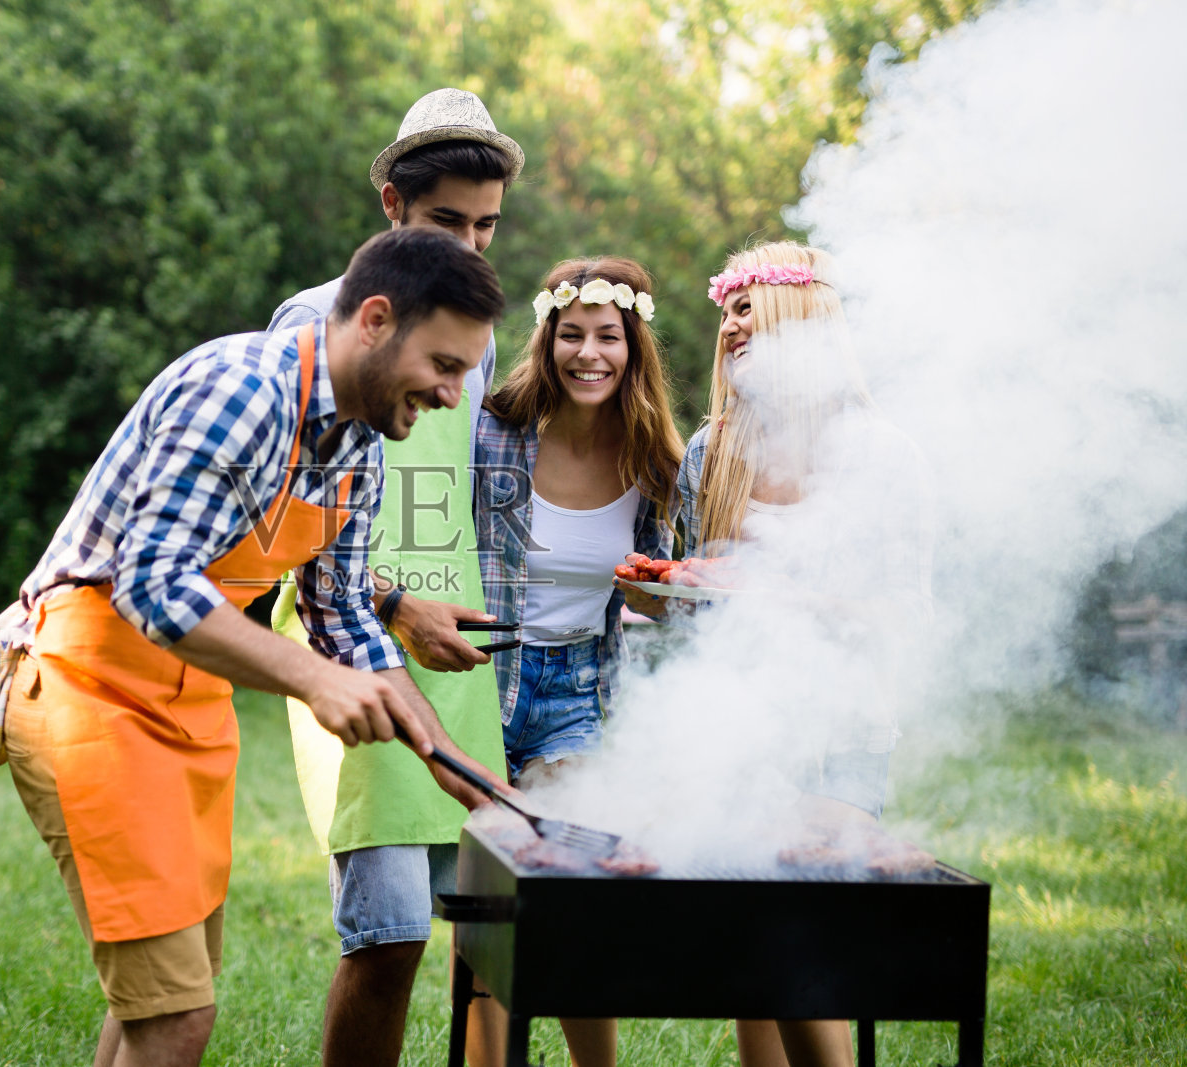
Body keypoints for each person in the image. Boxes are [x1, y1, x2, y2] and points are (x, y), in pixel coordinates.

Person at [0, 227, 509, 1067]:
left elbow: (343, 617)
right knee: (176, 1013)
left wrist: (450, 760)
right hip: (88, 685)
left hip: (190, 700)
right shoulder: (244, 389)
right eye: (445, 366)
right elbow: (151, 581)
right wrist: (311, 679)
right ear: (375, 320)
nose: (454, 394)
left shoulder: (360, 445)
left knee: (162, 997)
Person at [264, 87, 524, 1067]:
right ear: (390, 206)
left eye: (486, 224)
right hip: (350, 637)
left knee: (481, 928)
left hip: (455, 649)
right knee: (388, 935)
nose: (468, 243)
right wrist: (391, 605)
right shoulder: (313, 319)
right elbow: (284, 519)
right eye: (445, 220)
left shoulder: (482, 325)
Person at [673, 241, 935, 1067]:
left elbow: (906, 618)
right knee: (749, 957)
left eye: (746, 308)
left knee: (800, 953)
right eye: (726, 313)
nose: (729, 327)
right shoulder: (706, 454)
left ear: (801, 317)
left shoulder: (880, 453)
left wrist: (784, 600)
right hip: (737, 730)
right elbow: (693, 614)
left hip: (840, 736)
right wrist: (665, 595)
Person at [468, 256, 685, 1066]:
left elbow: (659, 595)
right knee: (489, 910)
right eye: (571, 335)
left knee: (574, 898)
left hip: (577, 691)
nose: (588, 353)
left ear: (633, 348)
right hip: (480, 681)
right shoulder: (492, 430)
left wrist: (655, 589)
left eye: (608, 336)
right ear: (547, 338)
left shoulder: (651, 458)